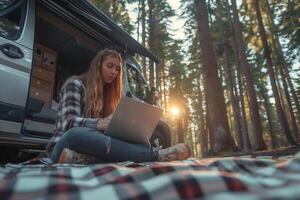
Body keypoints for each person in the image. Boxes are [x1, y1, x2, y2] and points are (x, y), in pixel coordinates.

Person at [46, 48, 191, 164]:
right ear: (98, 66)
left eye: (117, 69)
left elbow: (103, 138)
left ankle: (88, 160)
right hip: (63, 146)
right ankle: (156, 155)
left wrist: (126, 131)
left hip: (90, 149)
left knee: (144, 144)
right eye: (110, 66)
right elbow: (68, 123)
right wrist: (99, 123)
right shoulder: (75, 84)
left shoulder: (108, 96)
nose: (114, 72)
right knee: (75, 134)